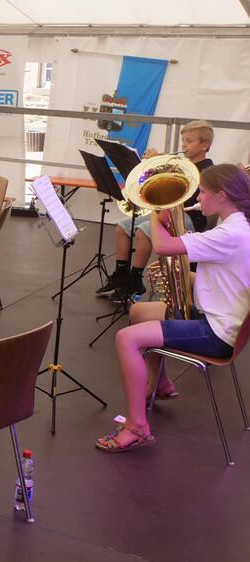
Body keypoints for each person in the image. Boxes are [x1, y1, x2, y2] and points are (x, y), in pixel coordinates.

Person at [95, 164, 250, 452]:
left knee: (126, 338)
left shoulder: (230, 234)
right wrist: (189, 277)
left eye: (202, 192)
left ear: (222, 195)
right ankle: (161, 383)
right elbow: (229, 278)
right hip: (221, 317)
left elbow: (164, 246)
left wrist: (156, 211)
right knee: (139, 313)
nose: (198, 198)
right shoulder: (237, 227)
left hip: (216, 332)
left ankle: (136, 426)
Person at [99, 120, 216, 302]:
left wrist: (161, 159)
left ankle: (135, 280)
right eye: (183, 140)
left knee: (144, 231)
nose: (184, 144)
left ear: (205, 145)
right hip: (171, 214)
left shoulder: (208, 169)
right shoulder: (182, 164)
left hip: (192, 217)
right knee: (122, 226)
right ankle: (121, 275)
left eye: (190, 141)